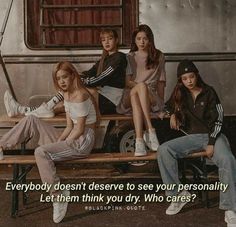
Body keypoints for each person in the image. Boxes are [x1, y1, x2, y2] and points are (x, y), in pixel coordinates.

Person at [0, 61, 97, 223]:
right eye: (59, 79)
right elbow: (68, 126)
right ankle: (1, 145)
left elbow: (79, 130)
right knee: (31, 119)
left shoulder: (81, 95)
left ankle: (57, 196)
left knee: (41, 152)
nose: (62, 81)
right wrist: (58, 143)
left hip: (83, 141)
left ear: (73, 75)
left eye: (65, 77)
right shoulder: (66, 95)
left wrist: (57, 146)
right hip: (72, 136)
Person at [157, 59, 236, 226]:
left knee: (228, 160)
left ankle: (230, 208)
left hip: (213, 135)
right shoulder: (180, 93)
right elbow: (166, 107)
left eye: (191, 77)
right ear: (181, 80)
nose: (189, 81)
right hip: (192, 138)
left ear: (196, 75)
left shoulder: (209, 92)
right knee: (164, 150)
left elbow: (219, 119)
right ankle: (178, 195)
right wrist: (171, 113)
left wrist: (212, 142)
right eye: (184, 79)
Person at [4, 29, 127, 117]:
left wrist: (77, 80)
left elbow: (101, 79)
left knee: (69, 90)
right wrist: (76, 77)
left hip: (109, 102)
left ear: (116, 40)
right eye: (103, 40)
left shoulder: (119, 58)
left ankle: (23, 109)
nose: (106, 42)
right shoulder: (104, 59)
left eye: (110, 39)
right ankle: (23, 110)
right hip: (100, 98)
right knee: (59, 107)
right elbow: (89, 72)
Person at [117, 24, 166, 157]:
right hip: (130, 92)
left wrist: (161, 105)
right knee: (140, 88)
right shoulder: (130, 57)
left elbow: (161, 83)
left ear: (150, 40)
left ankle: (139, 141)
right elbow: (127, 82)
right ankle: (150, 130)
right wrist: (140, 86)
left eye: (145, 38)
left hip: (150, 96)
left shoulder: (159, 56)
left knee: (138, 95)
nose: (142, 42)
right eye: (138, 39)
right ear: (135, 40)